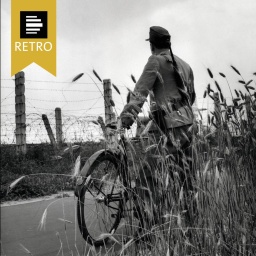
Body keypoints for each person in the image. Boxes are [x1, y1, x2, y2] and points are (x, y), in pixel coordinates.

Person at [120, 26, 196, 228]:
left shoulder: (155, 61)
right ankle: (193, 226)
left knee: (148, 176)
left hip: (171, 127)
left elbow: (139, 93)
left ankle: (147, 228)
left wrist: (125, 121)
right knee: (187, 178)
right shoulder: (185, 65)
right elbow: (192, 96)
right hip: (189, 126)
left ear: (152, 45)